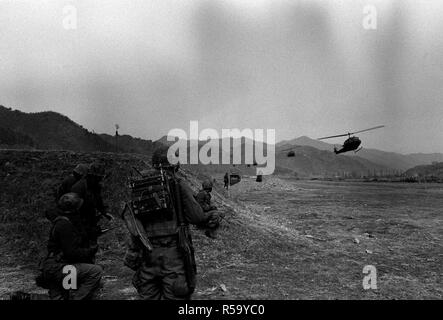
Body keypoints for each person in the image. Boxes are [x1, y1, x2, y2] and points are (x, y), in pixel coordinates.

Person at [123, 147, 221, 300]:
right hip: (173, 255)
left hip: (147, 255)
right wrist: (212, 214)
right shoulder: (177, 183)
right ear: (174, 163)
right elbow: (196, 216)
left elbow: (133, 221)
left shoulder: (140, 186)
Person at [39, 193, 102, 300]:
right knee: (96, 271)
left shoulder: (62, 220)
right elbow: (72, 253)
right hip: (60, 268)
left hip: (52, 266)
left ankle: (25, 297)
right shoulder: (64, 225)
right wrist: (90, 251)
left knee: (58, 298)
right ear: (75, 209)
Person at [71, 162, 111, 245]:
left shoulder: (95, 186)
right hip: (80, 222)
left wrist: (105, 212)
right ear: (91, 176)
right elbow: (73, 213)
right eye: (98, 178)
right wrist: (84, 229)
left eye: (100, 178)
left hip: (90, 219)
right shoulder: (78, 188)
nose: (100, 180)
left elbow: (98, 202)